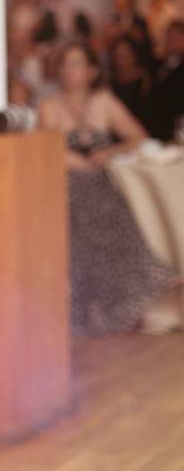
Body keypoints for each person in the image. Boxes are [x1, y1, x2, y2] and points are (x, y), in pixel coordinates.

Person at [38, 42, 177, 336]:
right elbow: (45, 149)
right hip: (68, 184)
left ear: (91, 70)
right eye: (63, 64)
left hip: (102, 183)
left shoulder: (104, 101)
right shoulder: (49, 106)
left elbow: (139, 137)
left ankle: (125, 305)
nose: (69, 71)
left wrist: (111, 151)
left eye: (75, 63)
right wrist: (70, 159)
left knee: (114, 208)